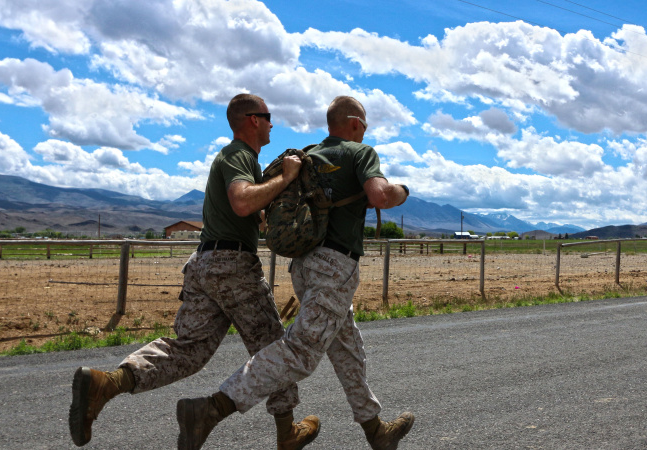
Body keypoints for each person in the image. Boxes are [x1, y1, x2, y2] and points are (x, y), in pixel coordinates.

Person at [68, 93, 320, 450]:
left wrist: (273, 206)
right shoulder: (239, 155)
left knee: (188, 349)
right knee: (274, 348)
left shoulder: (238, 160)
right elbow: (242, 200)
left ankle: (106, 383)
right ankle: (287, 432)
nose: (272, 123)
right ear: (252, 120)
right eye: (267, 116)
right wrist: (288, 177)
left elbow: (250, 211)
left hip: (206, 264)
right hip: (231, 267)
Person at [175, 95, 415, 450]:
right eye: (364, 125)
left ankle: (375, 429)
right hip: (335, 268)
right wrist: (402, 192)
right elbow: (380, 196)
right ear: (353, 124)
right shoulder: (359, 153)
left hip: (304, 265)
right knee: (300, 351)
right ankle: (212, 408)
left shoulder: (309, 155)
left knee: (347, 344)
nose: (365, 131)